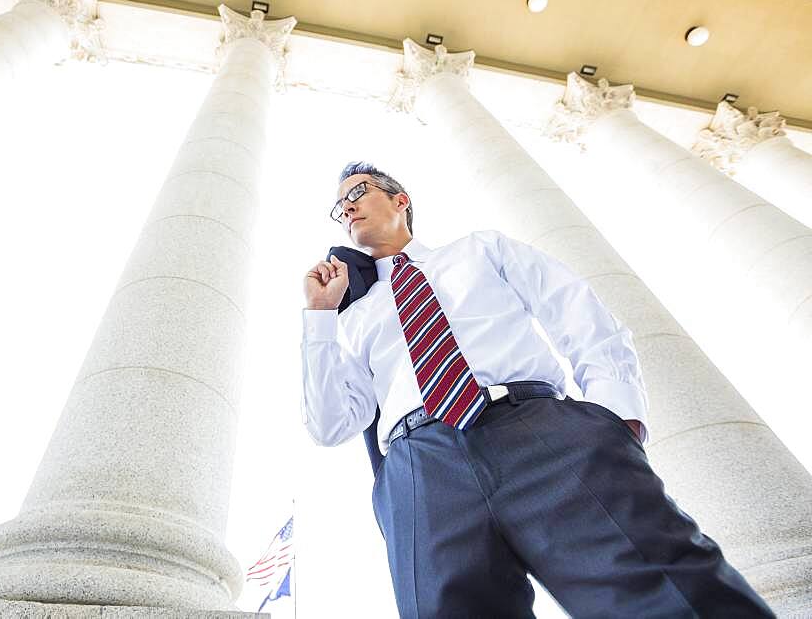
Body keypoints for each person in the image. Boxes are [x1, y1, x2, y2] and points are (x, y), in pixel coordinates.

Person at [300, 161, 775, 618]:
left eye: (357, 193)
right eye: (339, 208)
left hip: (537, 430)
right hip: (420, 468)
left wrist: (615, 420)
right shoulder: (356, 316)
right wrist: (320, 315)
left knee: (662, 589)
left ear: (400, 199)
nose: (347, 209)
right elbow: (330, 424)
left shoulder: (481, 249)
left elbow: (574, 309)